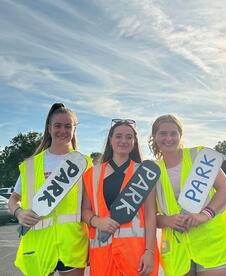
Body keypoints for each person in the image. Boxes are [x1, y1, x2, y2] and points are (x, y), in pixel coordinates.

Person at [148, 114, 226, 276]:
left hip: (211, 242)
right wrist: (167, 220)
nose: (168, 138)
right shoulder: (152, 171)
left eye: (173, 133)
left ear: (180, 136)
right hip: (178, 250)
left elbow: (225, 189)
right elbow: (149, 215)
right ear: (154, 137)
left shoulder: (199, 156)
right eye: (163, 133)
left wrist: (205, 215)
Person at [8, 103, 90, 276]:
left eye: (68, 126)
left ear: (75, 129)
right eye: (57, 125)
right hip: (38, 243)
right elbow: (14, 199)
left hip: (72, 243)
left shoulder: (85, 164)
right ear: (49, 128)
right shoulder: (30, 165)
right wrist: (19, 213)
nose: (63, 130)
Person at [81, 119, 159, 276]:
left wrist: (149, 252)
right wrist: (97, 221)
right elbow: (85, 211)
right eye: (118, 136)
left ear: (134, 141)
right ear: (110, 140)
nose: (123, 141)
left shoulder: (144, 173)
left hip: (136, 254)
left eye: (129, 137)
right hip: (103, 255)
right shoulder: (92, 174)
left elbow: (151, 214)